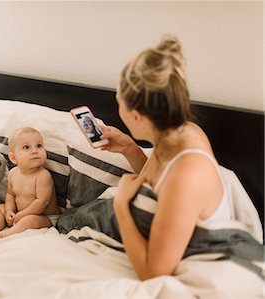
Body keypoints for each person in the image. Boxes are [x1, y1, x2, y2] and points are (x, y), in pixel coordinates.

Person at [99, 35, 233, 280]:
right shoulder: (174, 133)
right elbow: (161, 189)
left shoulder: (188, 172)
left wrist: (121, 206)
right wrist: (131, 150)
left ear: (136, 116)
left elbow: (153, 273)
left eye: (119, 103)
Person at [0, 127, 61, 239]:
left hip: (45, 217)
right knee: (0, 208)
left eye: (39, 146)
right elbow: (10, 194)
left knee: (28, 220)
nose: (34, 151)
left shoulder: (43, 176)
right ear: (13, 158)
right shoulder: (12, 173)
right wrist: (9, 210)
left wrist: (22, 215)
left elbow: (41, 203)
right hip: (19, 212)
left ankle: (2, 235)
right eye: (26, 147)